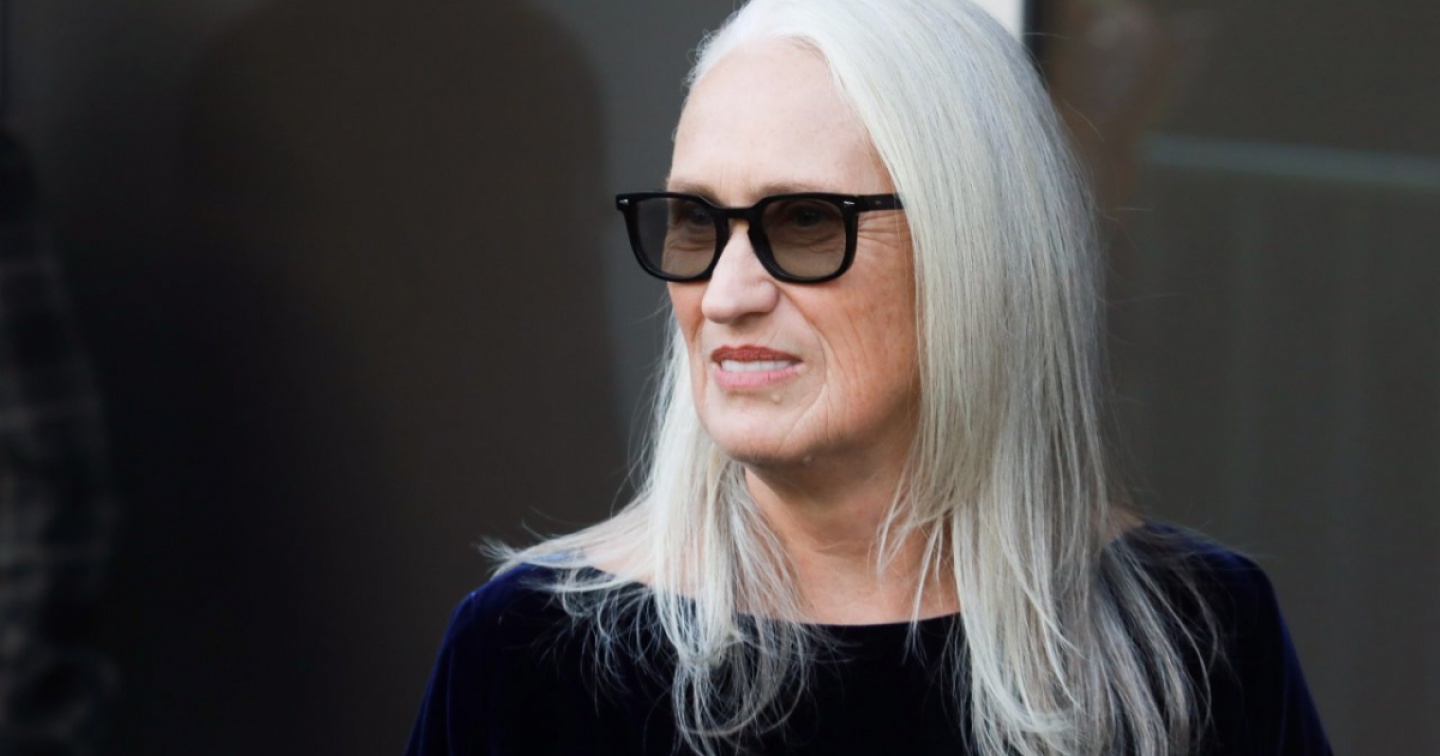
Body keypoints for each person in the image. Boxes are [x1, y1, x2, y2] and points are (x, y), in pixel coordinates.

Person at [405, 0, 1331, 754]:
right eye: (695, 221)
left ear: (973, 250)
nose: (725, 295)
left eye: (807, 221)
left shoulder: (1195, 634)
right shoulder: (530, 653)